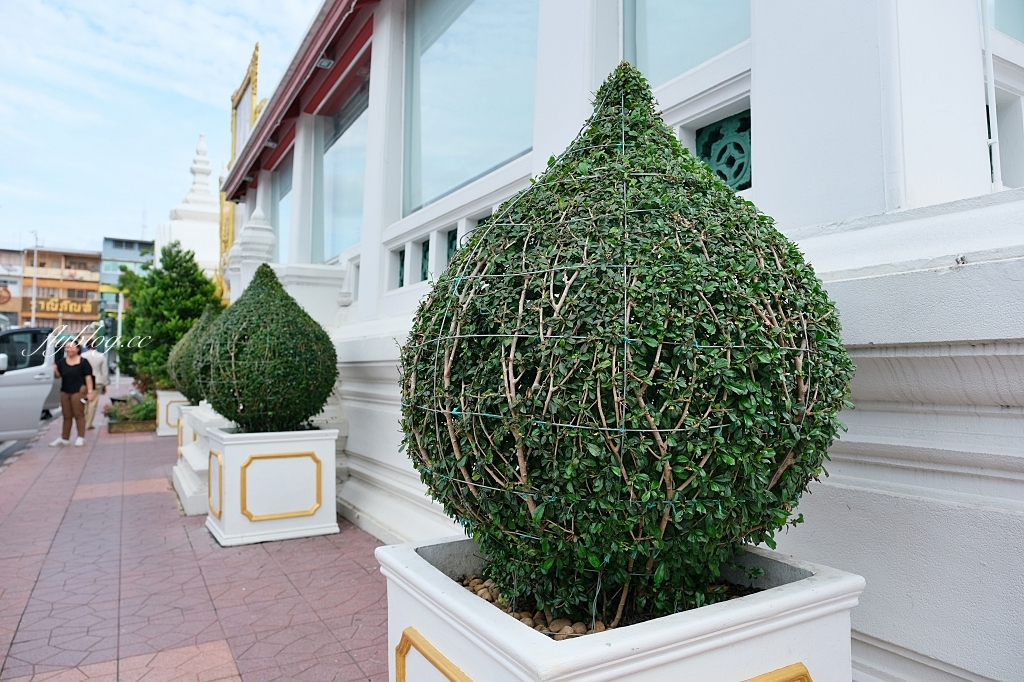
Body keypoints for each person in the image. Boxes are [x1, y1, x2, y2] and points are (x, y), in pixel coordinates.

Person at [50, 339, 94, 447]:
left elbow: (88, 378)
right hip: (65, 391)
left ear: (78, 348)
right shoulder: (62, 362)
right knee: (66, 415)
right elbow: (58, 376)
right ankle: (65, 438)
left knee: (79, 414)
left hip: (78, 391)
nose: (69, 349)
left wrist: (90, 392)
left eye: (71, 347)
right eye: (67, 347)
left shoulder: (83, 362)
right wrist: (54, 369)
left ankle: (80, 437)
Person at [82, 340, 110, 430]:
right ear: (95, 346)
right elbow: (104, 372)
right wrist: (105, 384)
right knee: (93, 403)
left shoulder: (82, 356)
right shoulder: (101, 356)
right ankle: (89, 423)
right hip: (97, 380)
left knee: (84, 402)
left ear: (86, 346)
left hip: (84, 381)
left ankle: (83, 421)